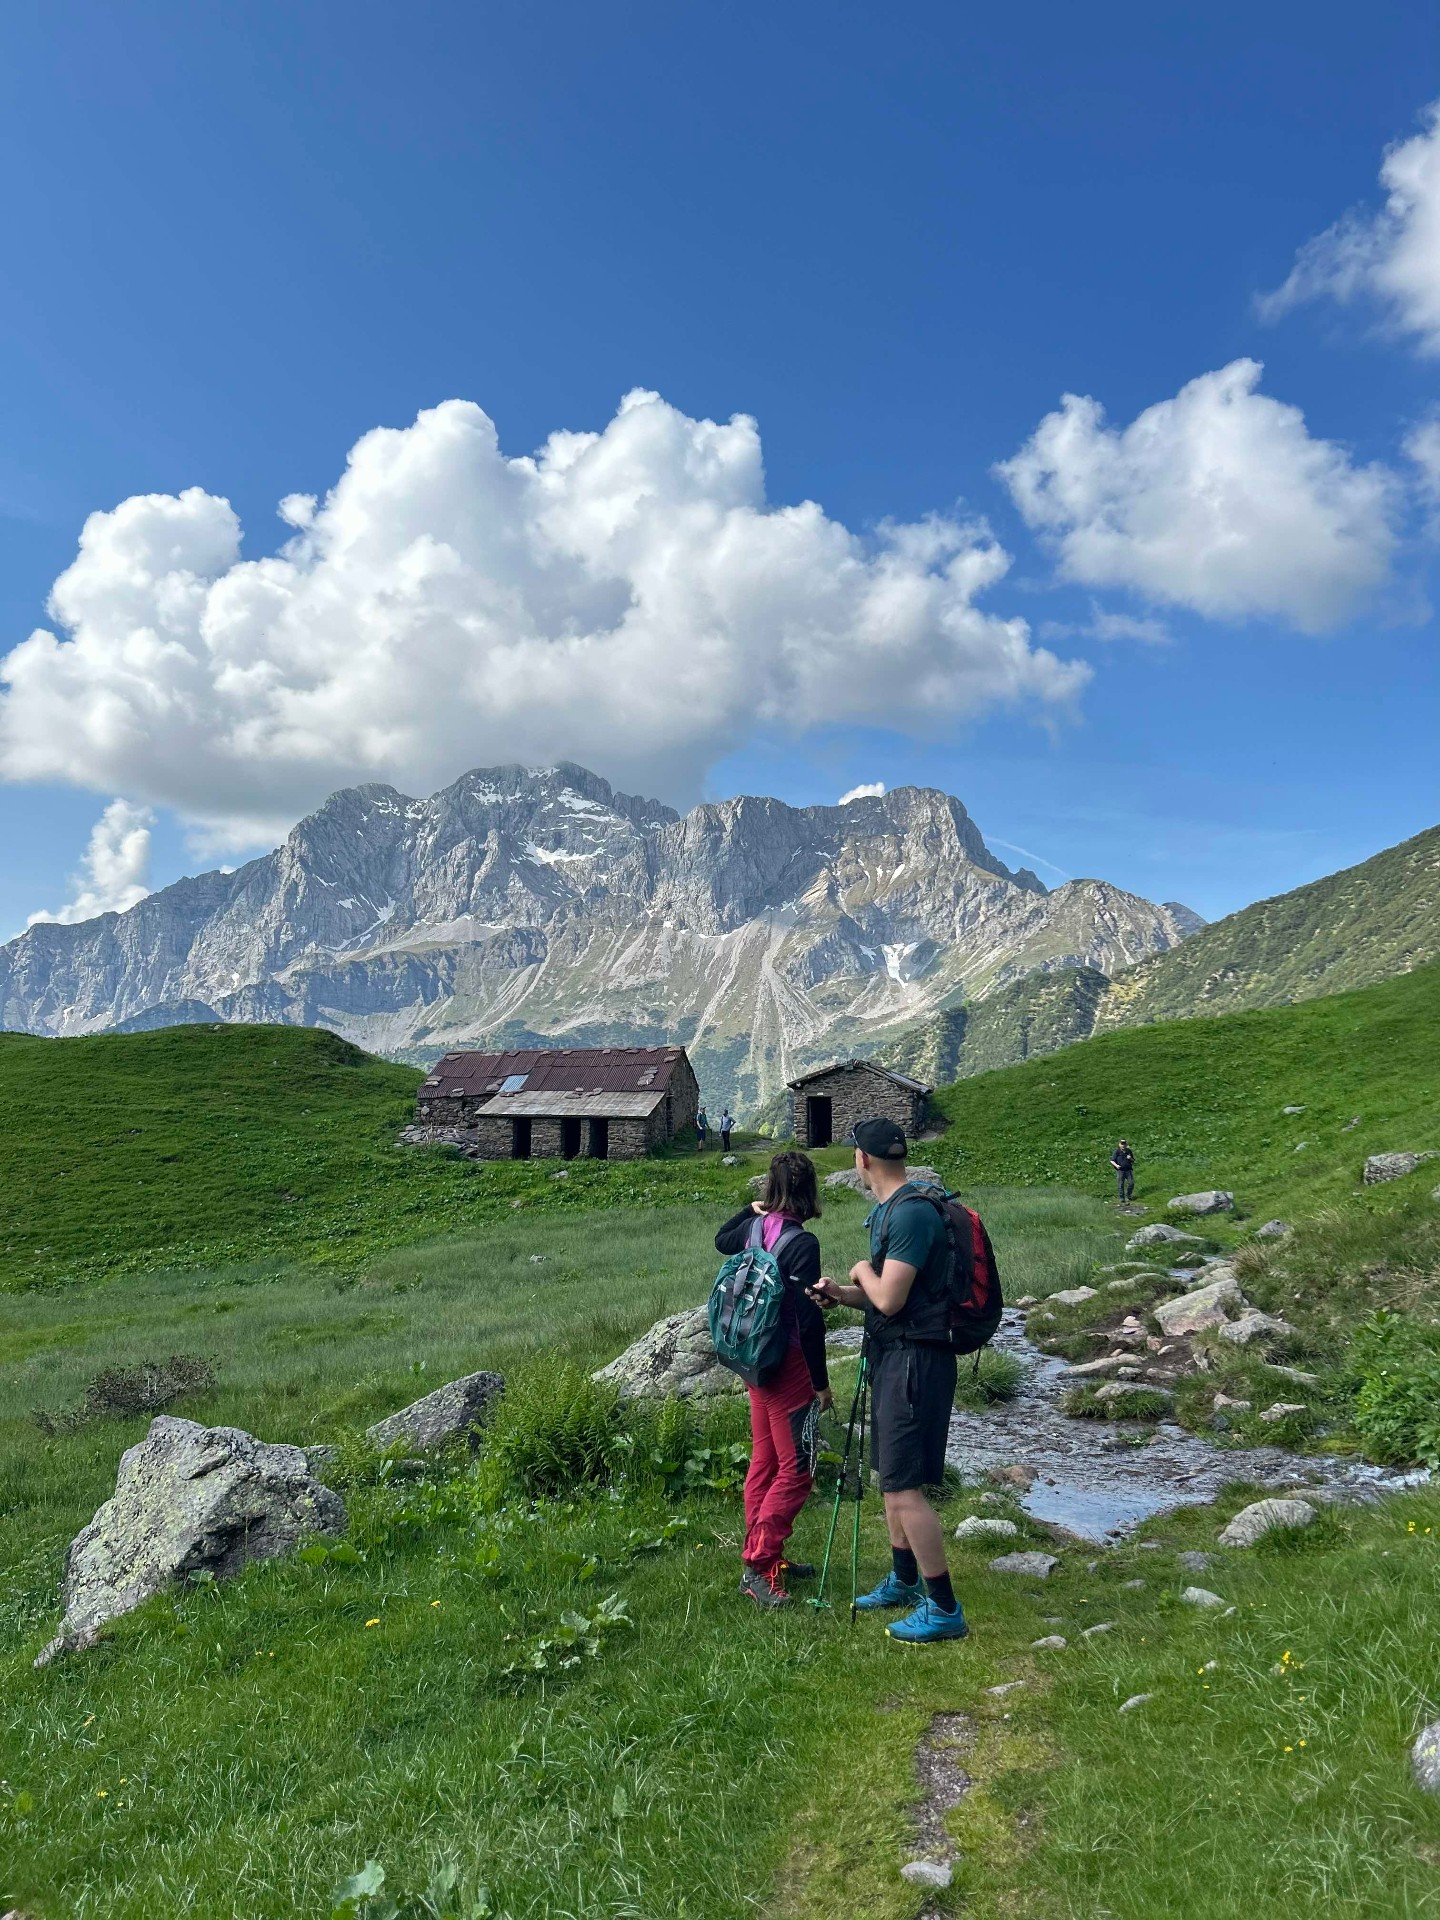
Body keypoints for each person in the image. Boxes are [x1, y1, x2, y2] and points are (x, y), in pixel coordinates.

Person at [809, 1117, 968, 1645]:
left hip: (916, 1361)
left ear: (862, 1159)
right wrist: (841, 1294)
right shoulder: (892, 1211)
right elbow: (885, 1297)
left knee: (903, 1486)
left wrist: (859, 1270)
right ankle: (903, 1580)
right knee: (890, 1477)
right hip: (896, 1354)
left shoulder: (911, 1214)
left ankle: (943, 1608)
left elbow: (890, 1298)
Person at [714, 1151, 833, 1608]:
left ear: (771, 1186)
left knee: (765, 1462)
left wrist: (750, 1209)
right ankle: (759, 1565)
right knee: (797, 1470)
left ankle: (765, 1557)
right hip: (787, 1367)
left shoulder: (752, 1229)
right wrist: (820, 1382)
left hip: (752, 1360)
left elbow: (721, 1240)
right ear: (809, 1190)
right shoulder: (802, 1243)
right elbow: (808, 1321)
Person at [1110, 1139, 1135, 1203]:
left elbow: (1133, 1160)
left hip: (1128, 1170)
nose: (1123, 1145)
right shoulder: (1117, 1151)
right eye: (1122, 1144)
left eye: (1124, 1144)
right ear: (1119, 1144)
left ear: (1126, 1144)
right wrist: (1116, 1165)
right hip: (1120, 1170)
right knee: (1121, 1184)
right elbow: (1112, 1160)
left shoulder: (1129, 1151)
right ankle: (1122, 1198)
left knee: (1131, 1183)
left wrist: (1130, 1158)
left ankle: (1128, 1195)